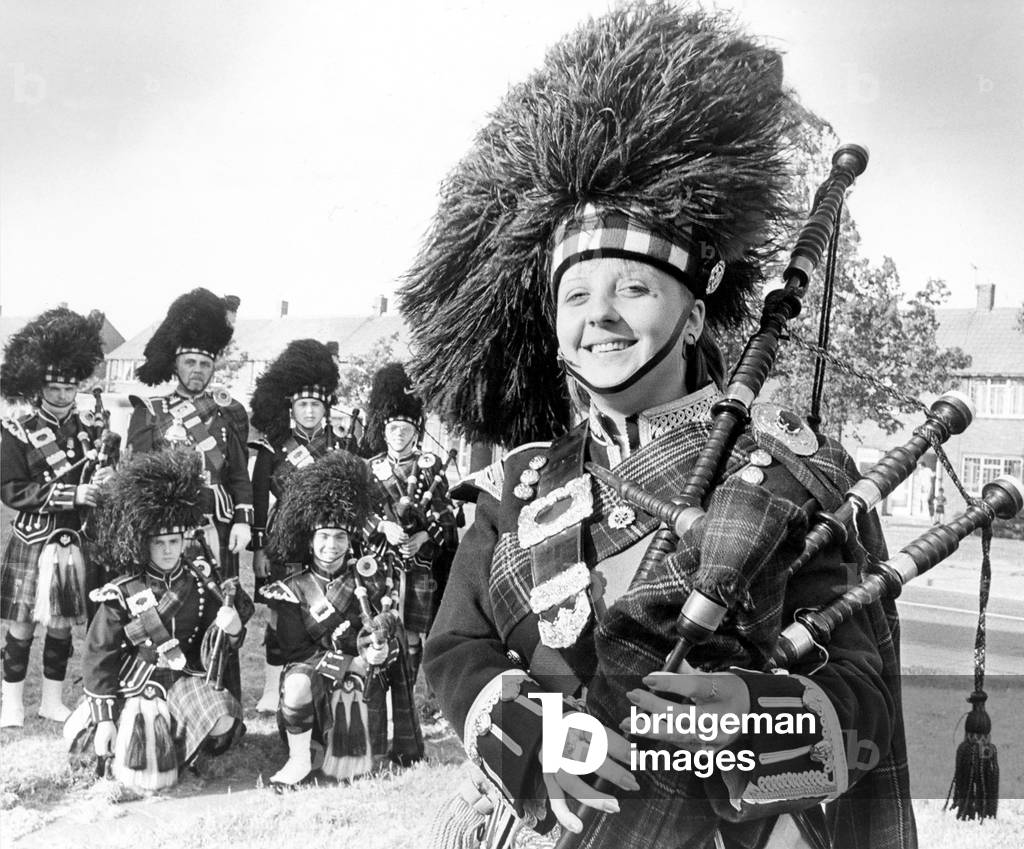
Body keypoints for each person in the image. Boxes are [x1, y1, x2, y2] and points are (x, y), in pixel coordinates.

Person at [402, 4, 914, 848]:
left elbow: (859, 693)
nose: (598, 315)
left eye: (632, 288)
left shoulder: (792, 471)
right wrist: (529, 734)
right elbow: (457, 646)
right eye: (575, 294)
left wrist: (755, 721)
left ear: (693, 315)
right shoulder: (519, 484)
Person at [69, 446, 252, 789]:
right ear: (144, 544)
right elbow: (99, 657)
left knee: (223, 722)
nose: (168, 550)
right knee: (135, 738)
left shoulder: (200, 583)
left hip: (183, 678)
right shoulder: (121, 592)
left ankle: (181, 747)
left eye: (174, 541)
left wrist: (233, 627)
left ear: (184, 541)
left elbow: (221, 640)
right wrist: (106, 720)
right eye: (159, 543)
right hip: (134, 682)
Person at [257, 451, 423, 787]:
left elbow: (387, 626)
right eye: (324, 537)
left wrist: (381, 649)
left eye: (340, 537)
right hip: (310, 669)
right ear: (310, 540)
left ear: (351, 542)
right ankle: (299, 759)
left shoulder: (370, 580)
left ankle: (358, 755)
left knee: (368, 669)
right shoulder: (289, 589)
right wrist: (349, 659)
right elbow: (294, 652)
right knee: (298, 684)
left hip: (362, 669)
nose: (331, 546)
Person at [1, 307, 108, 727]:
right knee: (23, 623)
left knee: (62, 625)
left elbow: (99, 479)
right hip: (33, 538)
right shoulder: (17, 429)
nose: (63, 396)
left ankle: (50, 698)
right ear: (38, 387)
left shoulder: (90, 428)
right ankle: (12, 702)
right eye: (55, 388)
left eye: (70, 388)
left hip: (73, 539)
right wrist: (72, 492)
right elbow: (12, 489)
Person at [125, 288, 253, 580]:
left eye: (205, 364)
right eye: (190, 362)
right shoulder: (150, 411)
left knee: (222, 610)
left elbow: (239, 476)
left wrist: (243, 521)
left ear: (213, 368)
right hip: (167, 528)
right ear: (176, 365)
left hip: (218, 523)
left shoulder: (229, 411)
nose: (197, 370)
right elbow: (136, 477)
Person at [248, 338, 345, 713]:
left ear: (325, 409)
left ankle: (318, 682)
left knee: (324, 614)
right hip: (282, 543)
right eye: (302, 404)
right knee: (279, 614)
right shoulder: (275, 447)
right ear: (292, 407)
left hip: (326, 545)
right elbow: (259, 498)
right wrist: (258, 547)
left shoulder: (341, 446)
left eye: (315, 405)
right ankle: (273, 689)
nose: (309, 411)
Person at [362, 363, 459, 683]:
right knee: (380, 623)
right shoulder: (371, 467)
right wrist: (381, 527)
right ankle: (380, 678)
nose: (399, 434)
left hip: (419, 561)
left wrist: (425, 538)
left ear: (416, 432)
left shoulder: (429, 466)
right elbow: (358, 513)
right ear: (384, 431)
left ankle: (409, 685)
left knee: (414, 630)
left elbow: (445, 516)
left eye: (405, 429)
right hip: (380, 559)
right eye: (393, 429)